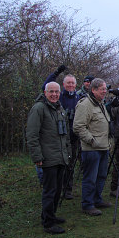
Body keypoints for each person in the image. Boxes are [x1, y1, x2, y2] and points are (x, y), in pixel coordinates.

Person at [26, 82, 71, 234]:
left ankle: (50, 214)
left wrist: (68, 152)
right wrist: (37, 156)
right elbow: (32, 135)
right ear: (45, 93)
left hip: (60, 157)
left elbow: (65, 135)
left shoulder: (59, 108)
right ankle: (48, 223)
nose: (54, 94)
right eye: (51, 91)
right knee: (50, 190)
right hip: (47, 158)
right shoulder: (39, 108)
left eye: (57, 92)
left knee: (58, 189)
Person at [73, 78, 112, 216]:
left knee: (101, 176)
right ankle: (87, 204)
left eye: (105, 89)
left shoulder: (100, 103)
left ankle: (97, 199)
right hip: (92, 149)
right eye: (102, 89)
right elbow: (78, 127)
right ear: (94, 90)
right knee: (90, 177)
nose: (105, 92)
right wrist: (91, 140)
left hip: (103, 147)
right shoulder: (85, 105)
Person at [43, 65, 80, 199]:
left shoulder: (78, 97)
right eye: (68, 83)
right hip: (60, 136)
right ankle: (56, 187)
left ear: (76, 85)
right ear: (63, 84)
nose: (70, 85)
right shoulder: (58, 96)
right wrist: (56, 73)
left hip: (74, 137)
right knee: (60, 164)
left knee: (71, 164)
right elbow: (46, 86)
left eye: (72, 83)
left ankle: (67, 189)